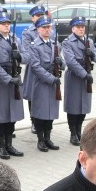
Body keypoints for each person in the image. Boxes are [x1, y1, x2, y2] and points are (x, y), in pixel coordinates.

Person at [0, 12, 26, 159]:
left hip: (14, 78)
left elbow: (28, 57)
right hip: (0, 82)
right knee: (0, 115)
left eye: (8, 23)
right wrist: (8, 79)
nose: (7, 26)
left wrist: (19, 56)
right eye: (3, 23)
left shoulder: (16, 39)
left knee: (12, 114)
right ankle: (1, 146)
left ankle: (9, 144)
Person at [26, 16, 63, 152]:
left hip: (54, 83)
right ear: (38, 30)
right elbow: (36, 67)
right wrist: (51, 78)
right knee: (41, 112)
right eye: (44, 28)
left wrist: (60, 63)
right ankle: (41, 140)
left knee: (51, 112)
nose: (47, 30)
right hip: (41, 83)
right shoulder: (34, 45)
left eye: (49, 27)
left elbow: (63, 63)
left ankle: (48, 138)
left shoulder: (55, 44)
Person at [63, 16, 96, 144]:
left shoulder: (88, 41)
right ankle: (73, 133)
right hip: (75, 77)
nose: (81, 29)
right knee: (73, 107)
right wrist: (84, 74)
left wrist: (92, 54)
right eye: (78, 27)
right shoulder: (68, 42)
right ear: (73, 28)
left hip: (86, 77)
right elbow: (71, 62)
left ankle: (79, 130)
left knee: (83, 106)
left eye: (83, 27)